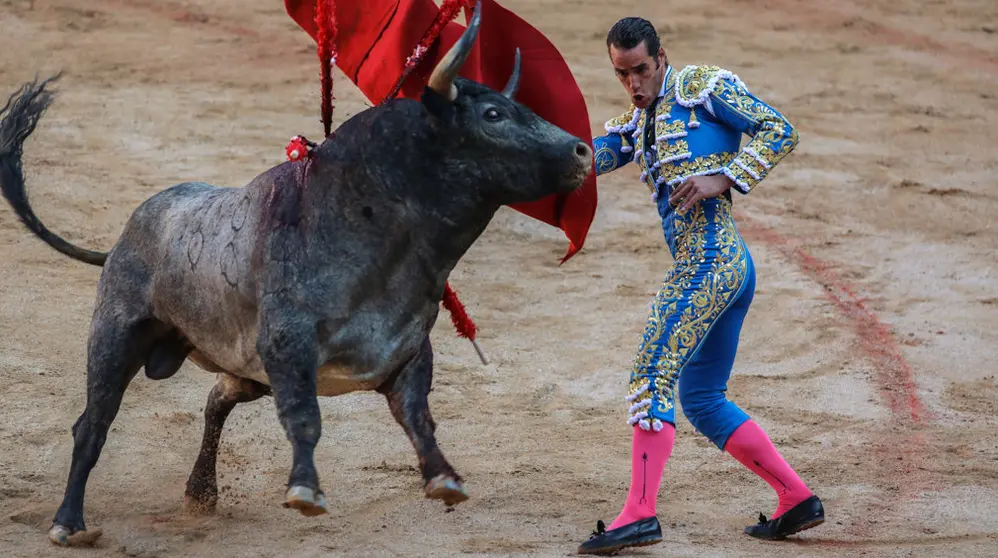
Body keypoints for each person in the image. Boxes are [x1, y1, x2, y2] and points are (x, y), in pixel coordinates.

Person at [577, 16, 824, 555]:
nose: (634, 84)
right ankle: (795, 497)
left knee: (651, 374)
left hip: (711, 264)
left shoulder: (702, 88)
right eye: (622, 75)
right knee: (702, 397)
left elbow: (780, 129)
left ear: (661, 57)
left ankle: (639, 514)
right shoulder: (637, 124)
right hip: (727, 268)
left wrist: (725, 177)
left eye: (641, 69)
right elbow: (588, 159)